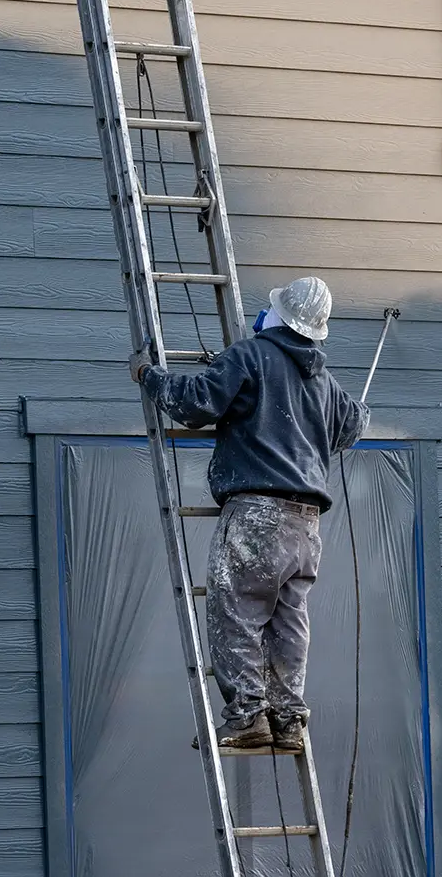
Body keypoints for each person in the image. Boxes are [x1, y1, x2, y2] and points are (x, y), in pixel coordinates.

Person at [130, 276, 369, 751]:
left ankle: (246, 718)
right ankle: (288, 719)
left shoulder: (250, 355)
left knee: (235, 611)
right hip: (306, 524)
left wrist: (149, 376)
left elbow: (194, 403)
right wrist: (355, 412)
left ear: (279, 314)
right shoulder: (324, 380)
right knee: (288, 620)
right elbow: (351, 428)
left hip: (257, 514)